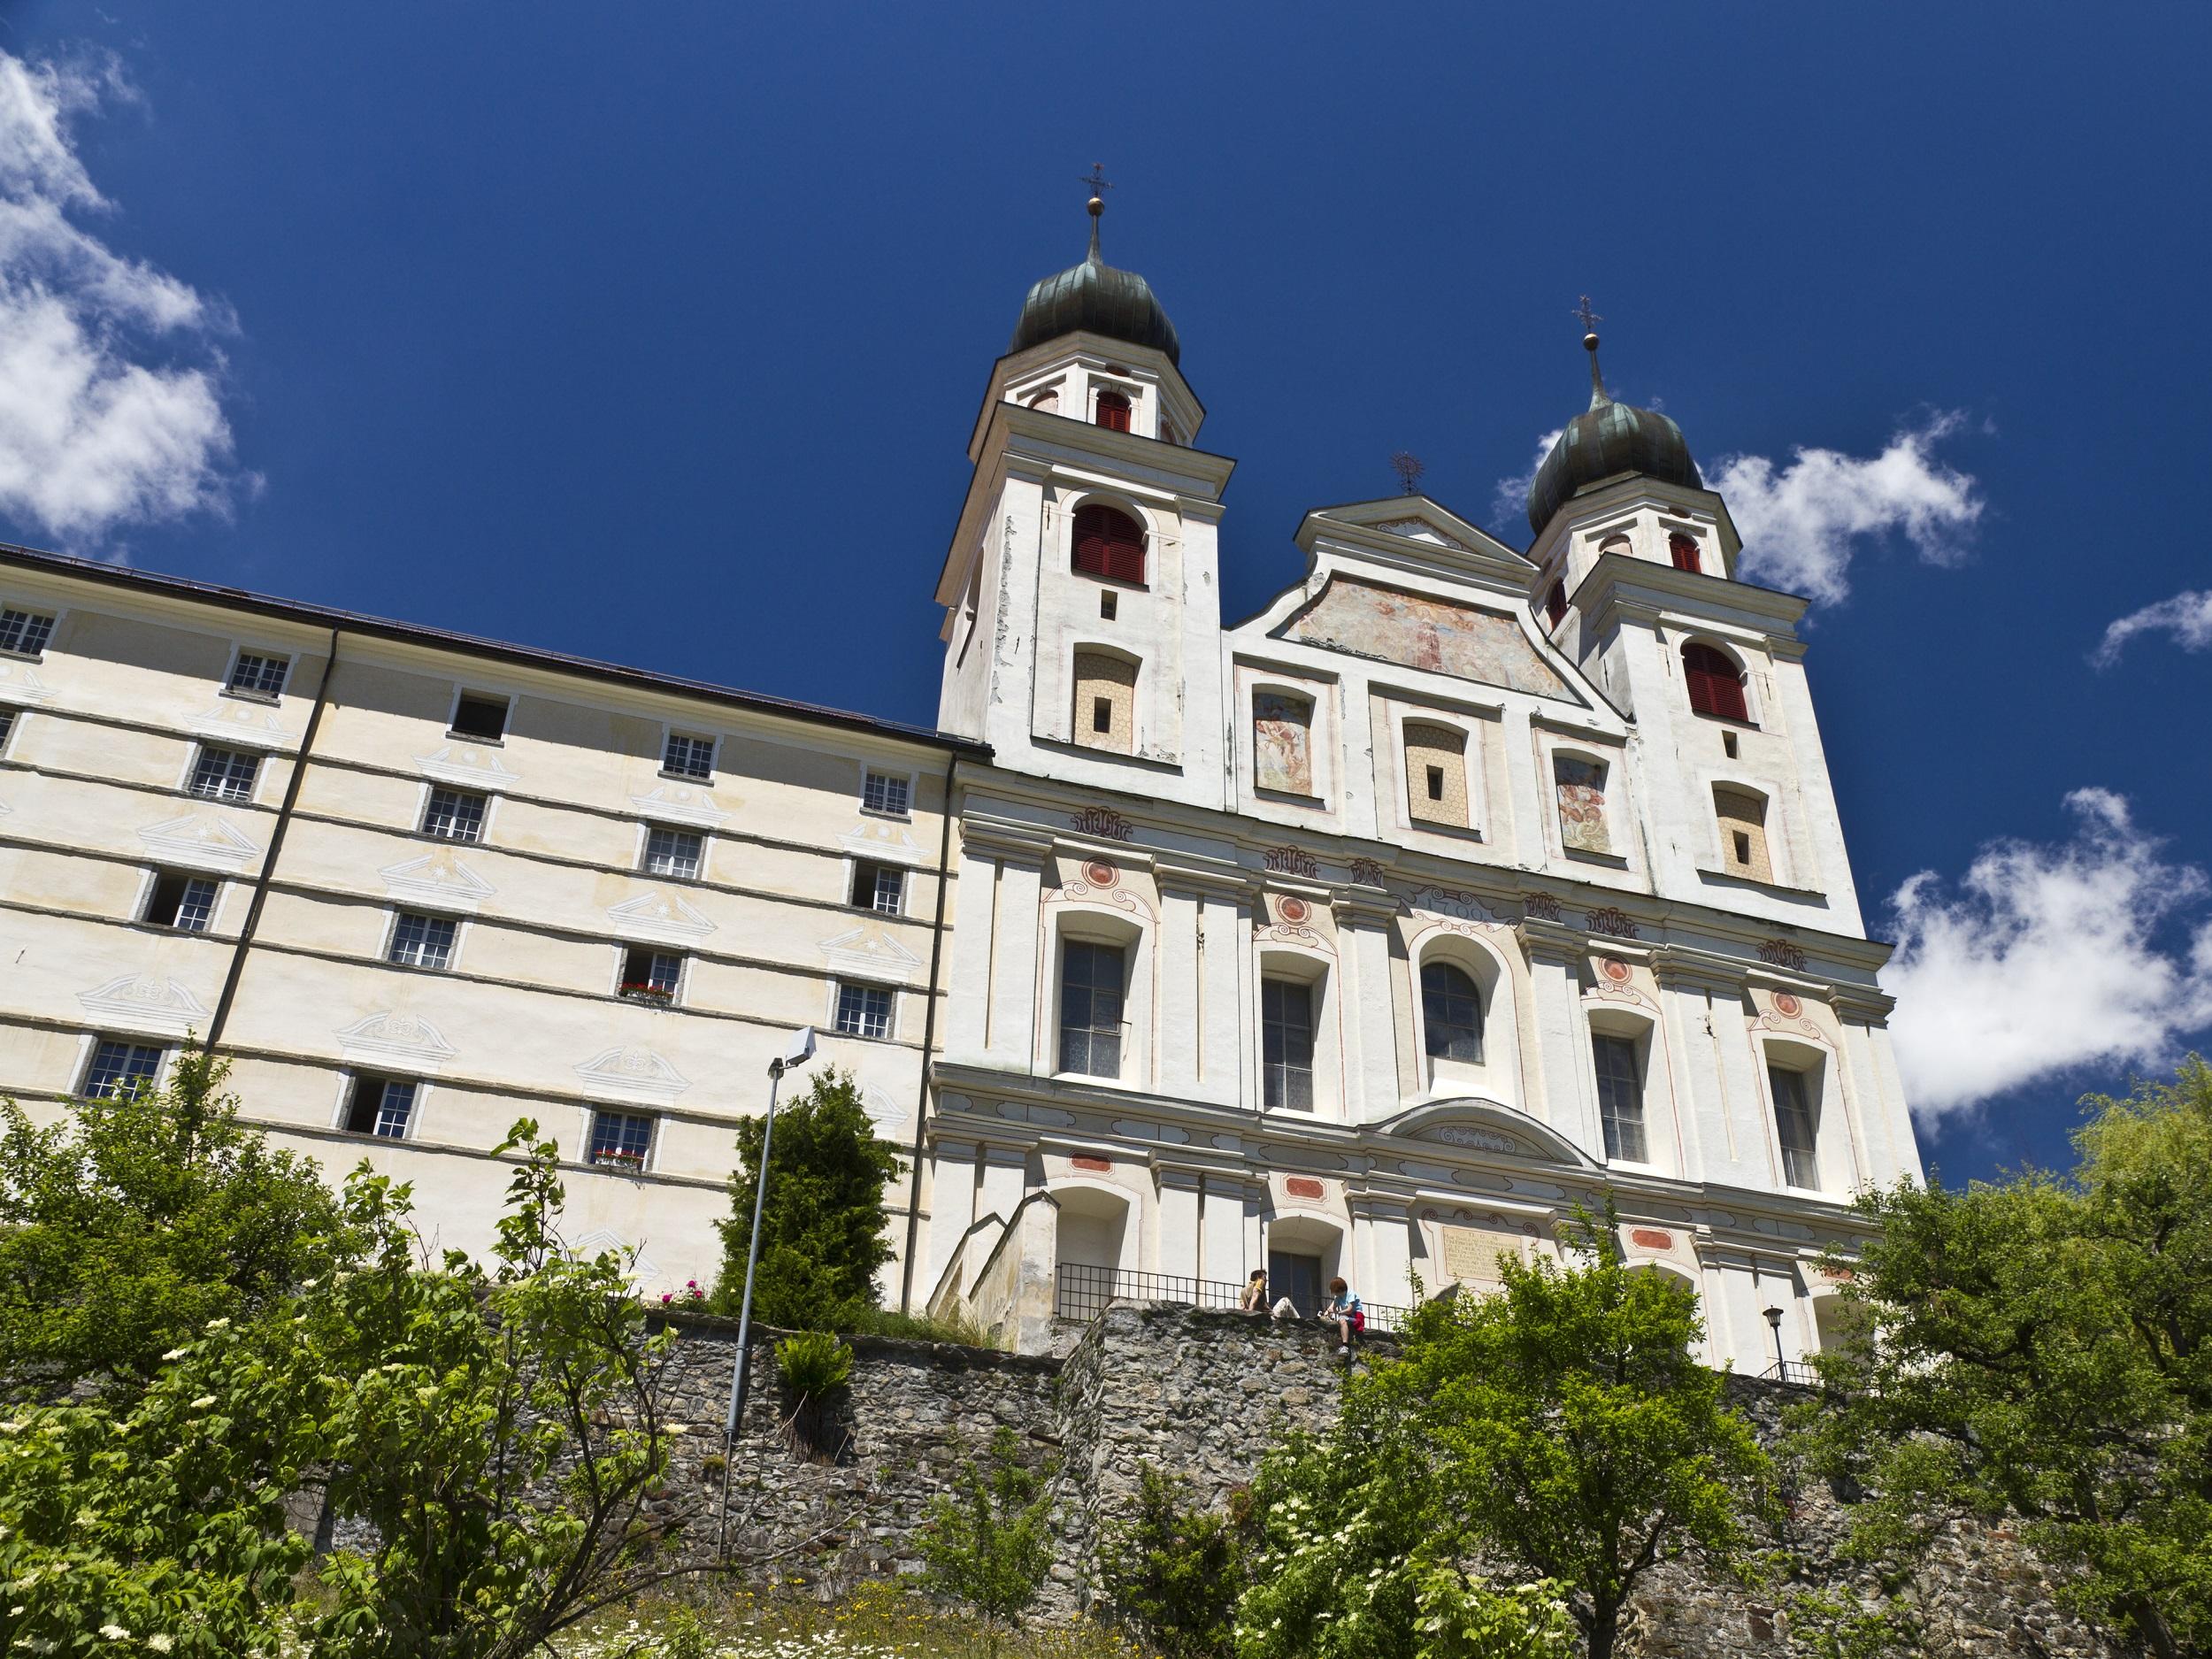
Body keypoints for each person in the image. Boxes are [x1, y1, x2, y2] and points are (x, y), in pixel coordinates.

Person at [1318, 1276, 1363, 1355]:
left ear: (1339, 1289)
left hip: (1356, 1317)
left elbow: (1349, 1310)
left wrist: (1338, 1312)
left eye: (1335, 1291)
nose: (1334, 1294)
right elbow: (1333, 1307)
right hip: (1348, 1317)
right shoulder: (1338, 1297)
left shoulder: (1350, 1293)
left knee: (1342, 1319)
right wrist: (1328, 1312)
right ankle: (1345, 1346)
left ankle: (1345, 1346)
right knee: (1341, 1319)